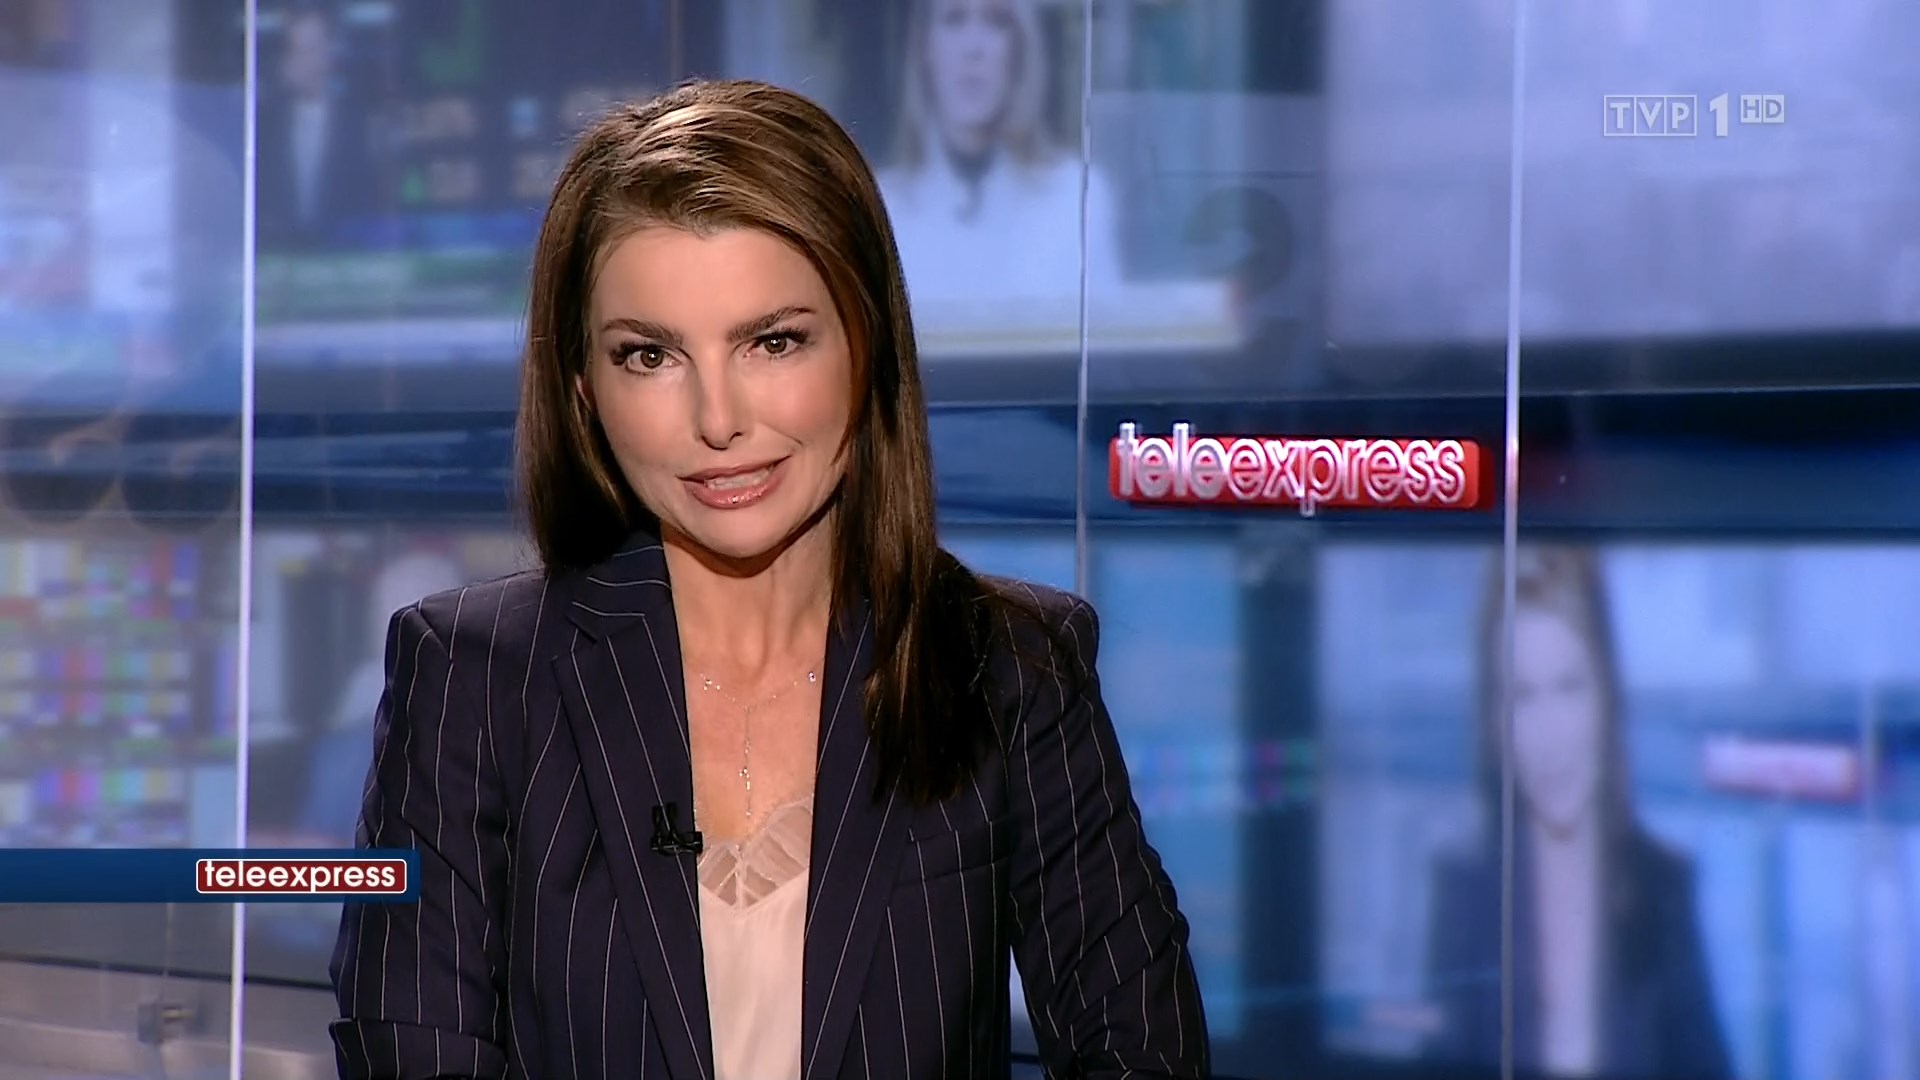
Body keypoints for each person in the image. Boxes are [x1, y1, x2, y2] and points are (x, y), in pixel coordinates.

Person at [328, 79, 1209, 1080]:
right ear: (584, 389)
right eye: (650, 355)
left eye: (772, 341)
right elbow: (413, 1051)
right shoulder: (473, 680)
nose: (719, 419)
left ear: (866, 347)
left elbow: (1141, 1050)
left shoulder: (1011, 669)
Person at [1425, 547, 1731, 1078]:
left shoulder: (1663, 890)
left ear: (1606, 696)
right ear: (1494, 723)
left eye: (1569, 686)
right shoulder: (1463, 895)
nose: (1550, 737)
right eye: (1522, 697)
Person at [875, 0, 1122, 326]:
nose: (973, 48)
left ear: (1019, 49)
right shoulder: (881, 207)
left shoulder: (1077, 200)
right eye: (954, 20)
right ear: (925, 49)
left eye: (996, 22)